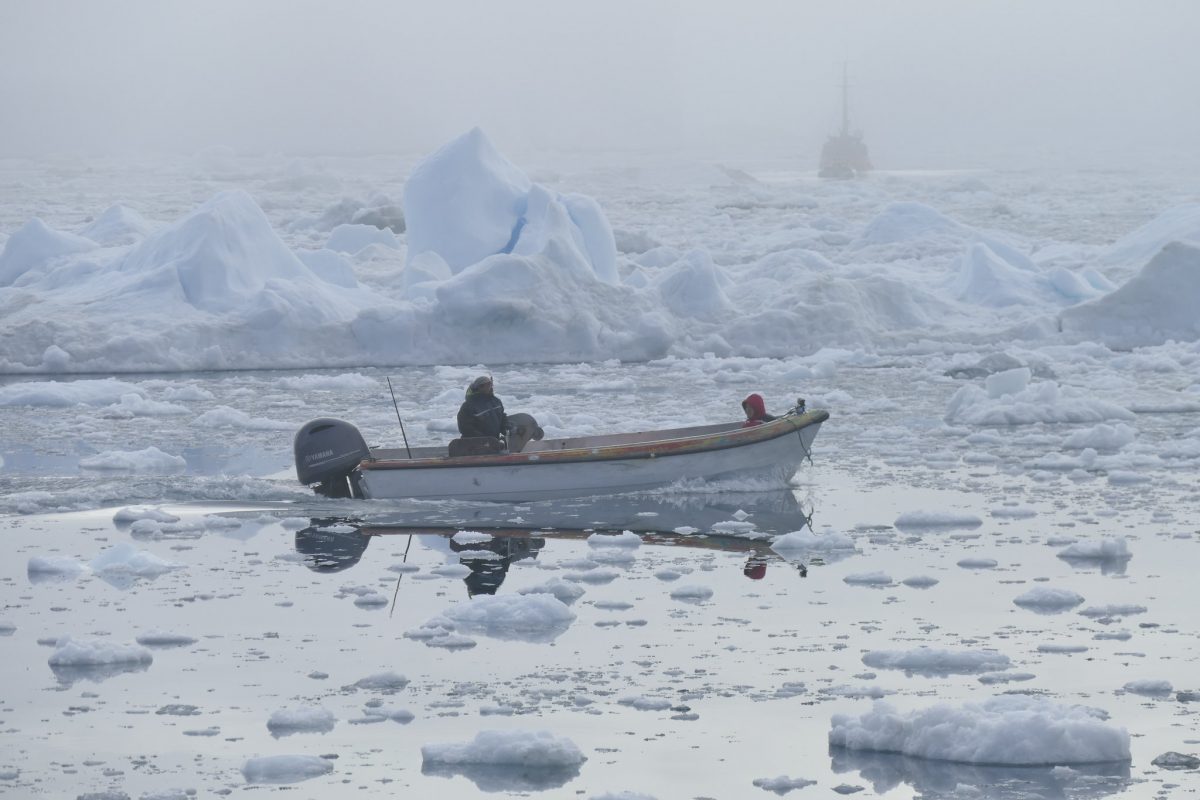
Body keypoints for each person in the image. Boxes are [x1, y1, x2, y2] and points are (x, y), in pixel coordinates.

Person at [457, 375, 509, 441]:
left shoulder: (496, 401)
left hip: (493, 443)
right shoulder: (468, 405)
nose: (490, 387)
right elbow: (465, 428)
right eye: (488, 385)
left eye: (490, 384)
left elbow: (502, 417)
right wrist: (484, 439)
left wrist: (506, 427)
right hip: (475, 445)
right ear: (479, 387)